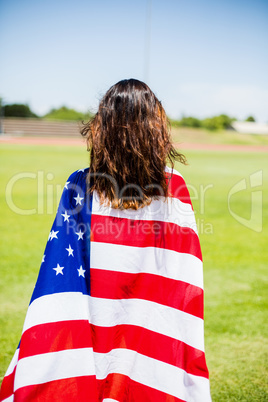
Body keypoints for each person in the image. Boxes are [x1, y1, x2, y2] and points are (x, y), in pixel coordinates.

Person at [0, 79, 211, 401]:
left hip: (97, 304)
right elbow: (179, 271)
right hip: (145, 309)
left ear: (102, 125)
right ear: (156, 127)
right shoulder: (173, 185)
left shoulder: (80, 183)